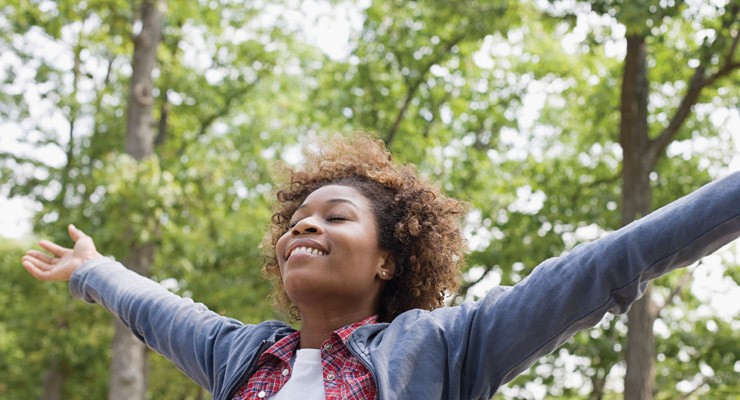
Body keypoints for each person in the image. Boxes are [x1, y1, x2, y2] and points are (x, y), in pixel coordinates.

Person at [22, 134, 740, 400]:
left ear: (389, 260)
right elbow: (155, 308)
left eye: (336, 216)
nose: (306, 223)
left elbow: (603, 266)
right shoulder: (236, 356)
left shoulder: (445, 348)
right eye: (299, 218)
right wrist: (92, 268)